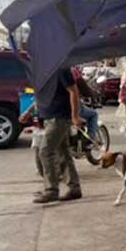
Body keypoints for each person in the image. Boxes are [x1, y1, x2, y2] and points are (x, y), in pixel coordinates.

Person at [33, 68, 85, 203]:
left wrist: (75, 116)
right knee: (62, 152)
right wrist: (29, 112)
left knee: (45, 151)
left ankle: (51, 190)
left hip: (60, 117)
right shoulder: (43, 71)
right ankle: (74, 188)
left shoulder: (60, 68)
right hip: (49, 117)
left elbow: (73, 91)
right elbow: (42, 96)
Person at [71, 67, 98, 140]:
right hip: (71, 108)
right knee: (94, 114)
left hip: (49, 110)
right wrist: (92, 97)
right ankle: (89, 140)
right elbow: (85, 90)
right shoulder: (72, 71)